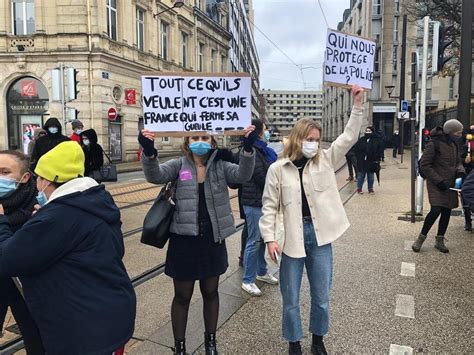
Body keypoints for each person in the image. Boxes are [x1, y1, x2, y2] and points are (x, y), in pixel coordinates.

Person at [0, 142, 136, 354]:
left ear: (48, 180)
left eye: (39, 178)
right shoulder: (93, 201)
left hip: (84, 333)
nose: (38, 185)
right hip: (109, 318)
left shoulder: (58, 216)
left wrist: (1, 221)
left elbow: (8, 258)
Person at [259, 85, 364, 355]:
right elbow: (269, 206)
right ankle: (294, 342)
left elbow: (349, 136)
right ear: (296, 138)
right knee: (290, 298)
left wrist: (358, 104)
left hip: (320, 236)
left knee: (321, 296)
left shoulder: (326, 160)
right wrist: (269, 238)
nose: (313, 144)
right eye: (309, 138)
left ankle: (318, 339)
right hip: (291, 238)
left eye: (316, 139)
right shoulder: (277, 169)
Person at [139, 126, 256, 355]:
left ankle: (210, 343)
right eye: (195, 137)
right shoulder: (178, 165)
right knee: (182, 296)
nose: (200, 141)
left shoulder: (220, 166)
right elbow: (155, 175)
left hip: (212, 240)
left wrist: (248, 149)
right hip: (183, 242)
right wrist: (149, 152)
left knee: (211, 293)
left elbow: (243, 175)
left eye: (204, 137)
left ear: (212, 141)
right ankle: (179, 347)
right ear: (187, 140)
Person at [0, 151, 44, 354]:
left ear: (25, 177)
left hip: (26, 289)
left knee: (36, 341)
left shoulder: (39, 207)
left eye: (4, 172)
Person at [412, 119, 465, 253]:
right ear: (450, 132)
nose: (460, 135)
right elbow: (425, 164)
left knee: (447, 210)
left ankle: (440, 239)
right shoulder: (434, 143)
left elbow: (458, 162)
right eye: (458, 132)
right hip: (437, 183)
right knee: (436, 209)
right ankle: (421, 238)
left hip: (450, 184)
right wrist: (438, 180)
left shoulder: (454, 144)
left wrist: (460, 173)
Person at [239, 119, 278, 296]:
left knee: (262, 238)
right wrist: (275, 189)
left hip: (261, 201)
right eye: (266, 129)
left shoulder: (262, 150)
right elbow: (261, 176)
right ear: (260, 131)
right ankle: (248, 280)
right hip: (254, 201)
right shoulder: (252, 150)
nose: (267, 131)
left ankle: (261, 272)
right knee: (254, 240)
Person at [354, 126, 384, 194]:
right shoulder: (361, 140)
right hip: (362, 161)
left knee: (370, 176)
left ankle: (370, 189)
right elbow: (356, 149)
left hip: (371, 161)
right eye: (366, 131)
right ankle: (359, 189)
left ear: (372, 132)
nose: (367, 132)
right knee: (361, 175)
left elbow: (379, 150)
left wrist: (377, 158)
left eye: (369, 131)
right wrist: (358, 157)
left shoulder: (376, 140)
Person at [460, 127, 474, 231]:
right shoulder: (466, 147)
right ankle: (468, 221)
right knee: (465, 197)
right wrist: (465, 161)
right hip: (467, 172)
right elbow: (458, 160)